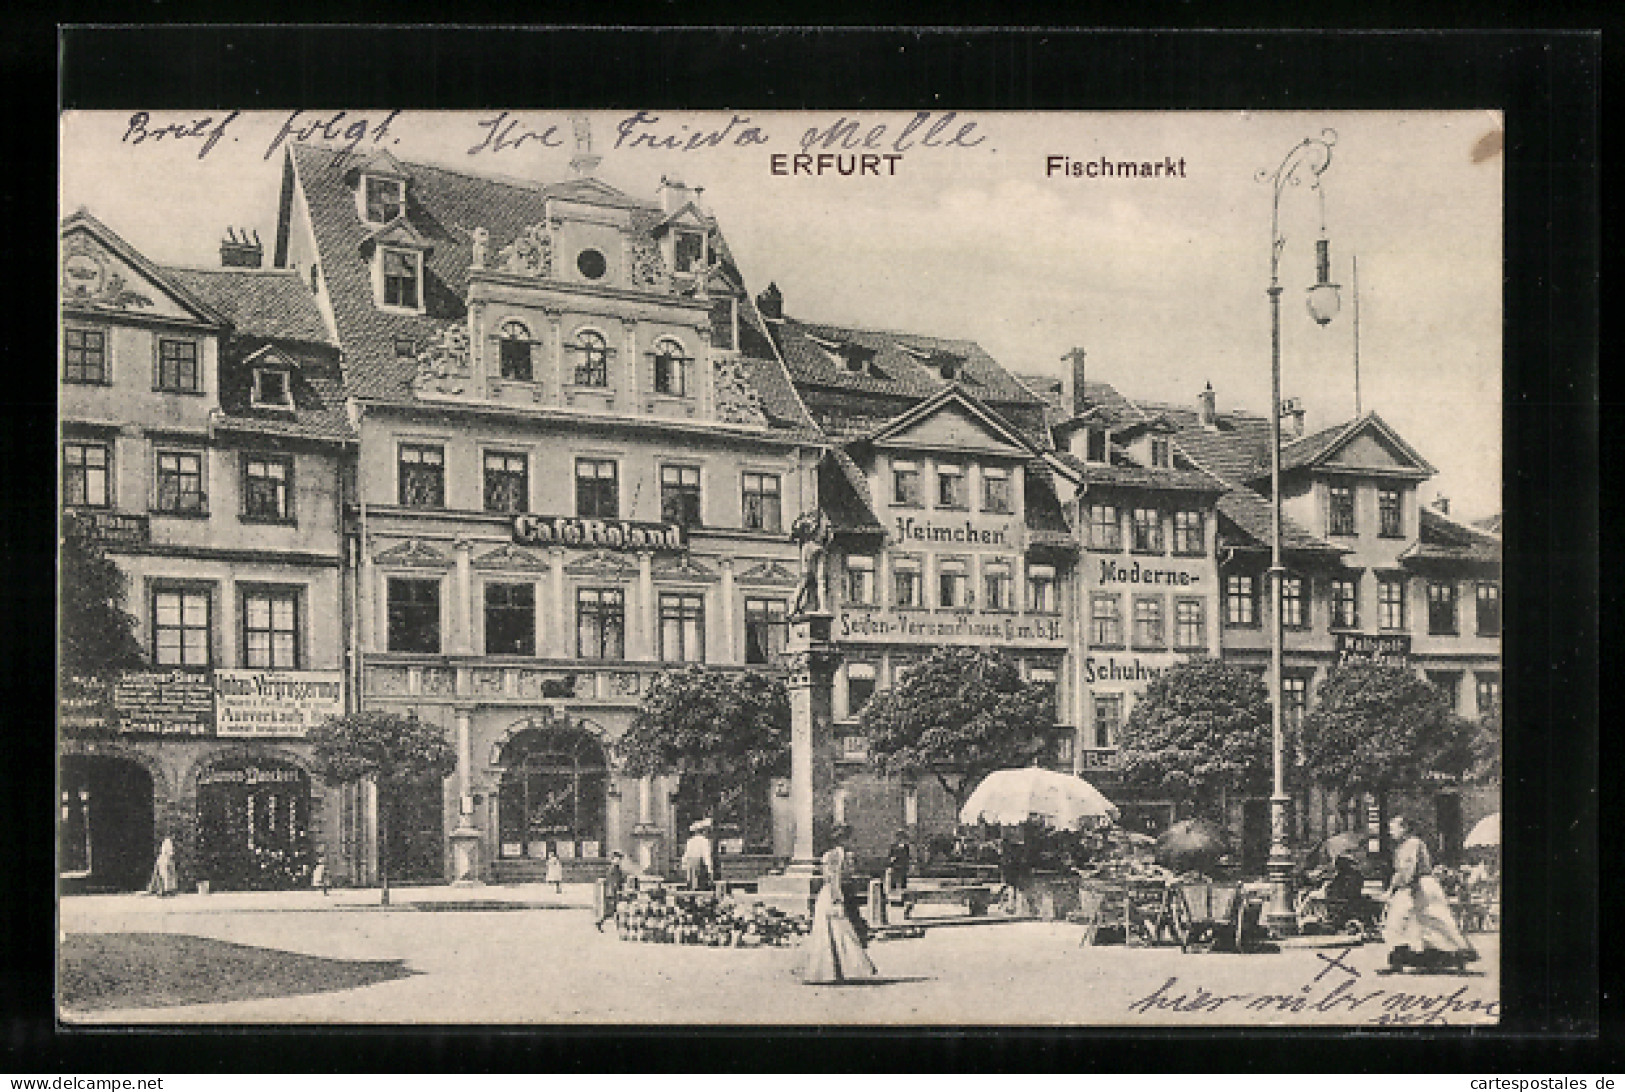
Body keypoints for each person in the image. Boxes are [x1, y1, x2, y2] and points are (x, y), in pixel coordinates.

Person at [1379, 815, 1478, 974]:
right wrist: (1394, 889)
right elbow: (1401, 872)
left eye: (1393, 828)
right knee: (1415, 921)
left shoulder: (1412, 844)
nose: (1390, 832)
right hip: (1416, 886)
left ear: (1404, 829)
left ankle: (1456, 952)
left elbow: (1407, 870)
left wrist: (1396, 889)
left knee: (1429, 919)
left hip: (1421, 885)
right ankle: (1413, 954)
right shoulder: (1404, 846)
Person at [800, 824, 878, 984]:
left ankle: (834, 971)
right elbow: (833, 878)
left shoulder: (835, 855)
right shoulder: (837, 855)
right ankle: (844, 969)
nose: (851, 842)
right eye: (849, 838)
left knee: (833, 931)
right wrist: (837, 898)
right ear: (842, 839)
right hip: (834, 894)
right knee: (839, 930)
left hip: (830, 893)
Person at [682, 819, 715, 891]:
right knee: (700, 885)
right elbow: (706, 856)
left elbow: (686, 855)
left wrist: (684, 865)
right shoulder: (704, 841)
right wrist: (709, 869)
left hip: (691, 864)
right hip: (700, 864)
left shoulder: (690, 841)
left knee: (692, 884)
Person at [596, 851, 625, 932]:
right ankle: (600, 922)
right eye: (617, 858)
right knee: (613, 910)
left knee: (615, 910)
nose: (619, 860)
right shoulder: (614, 868)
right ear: (614, 859)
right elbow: (614, 881)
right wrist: (617, 890)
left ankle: (616, 926)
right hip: (613, 892)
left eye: (619, 859)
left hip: (613, 891)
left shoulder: (615, 868)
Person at [885, 830, 911, 896]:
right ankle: (893, 894)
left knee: (902, 880)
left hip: (902, 865)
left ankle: (903, 894)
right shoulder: (893, 846)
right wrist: (892, 860)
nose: (900, 839)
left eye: (901, 837)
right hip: (895, 865)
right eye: (898, 837)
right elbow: (890, 855)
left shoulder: (905, 847)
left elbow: (907, 856)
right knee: (893, 881)